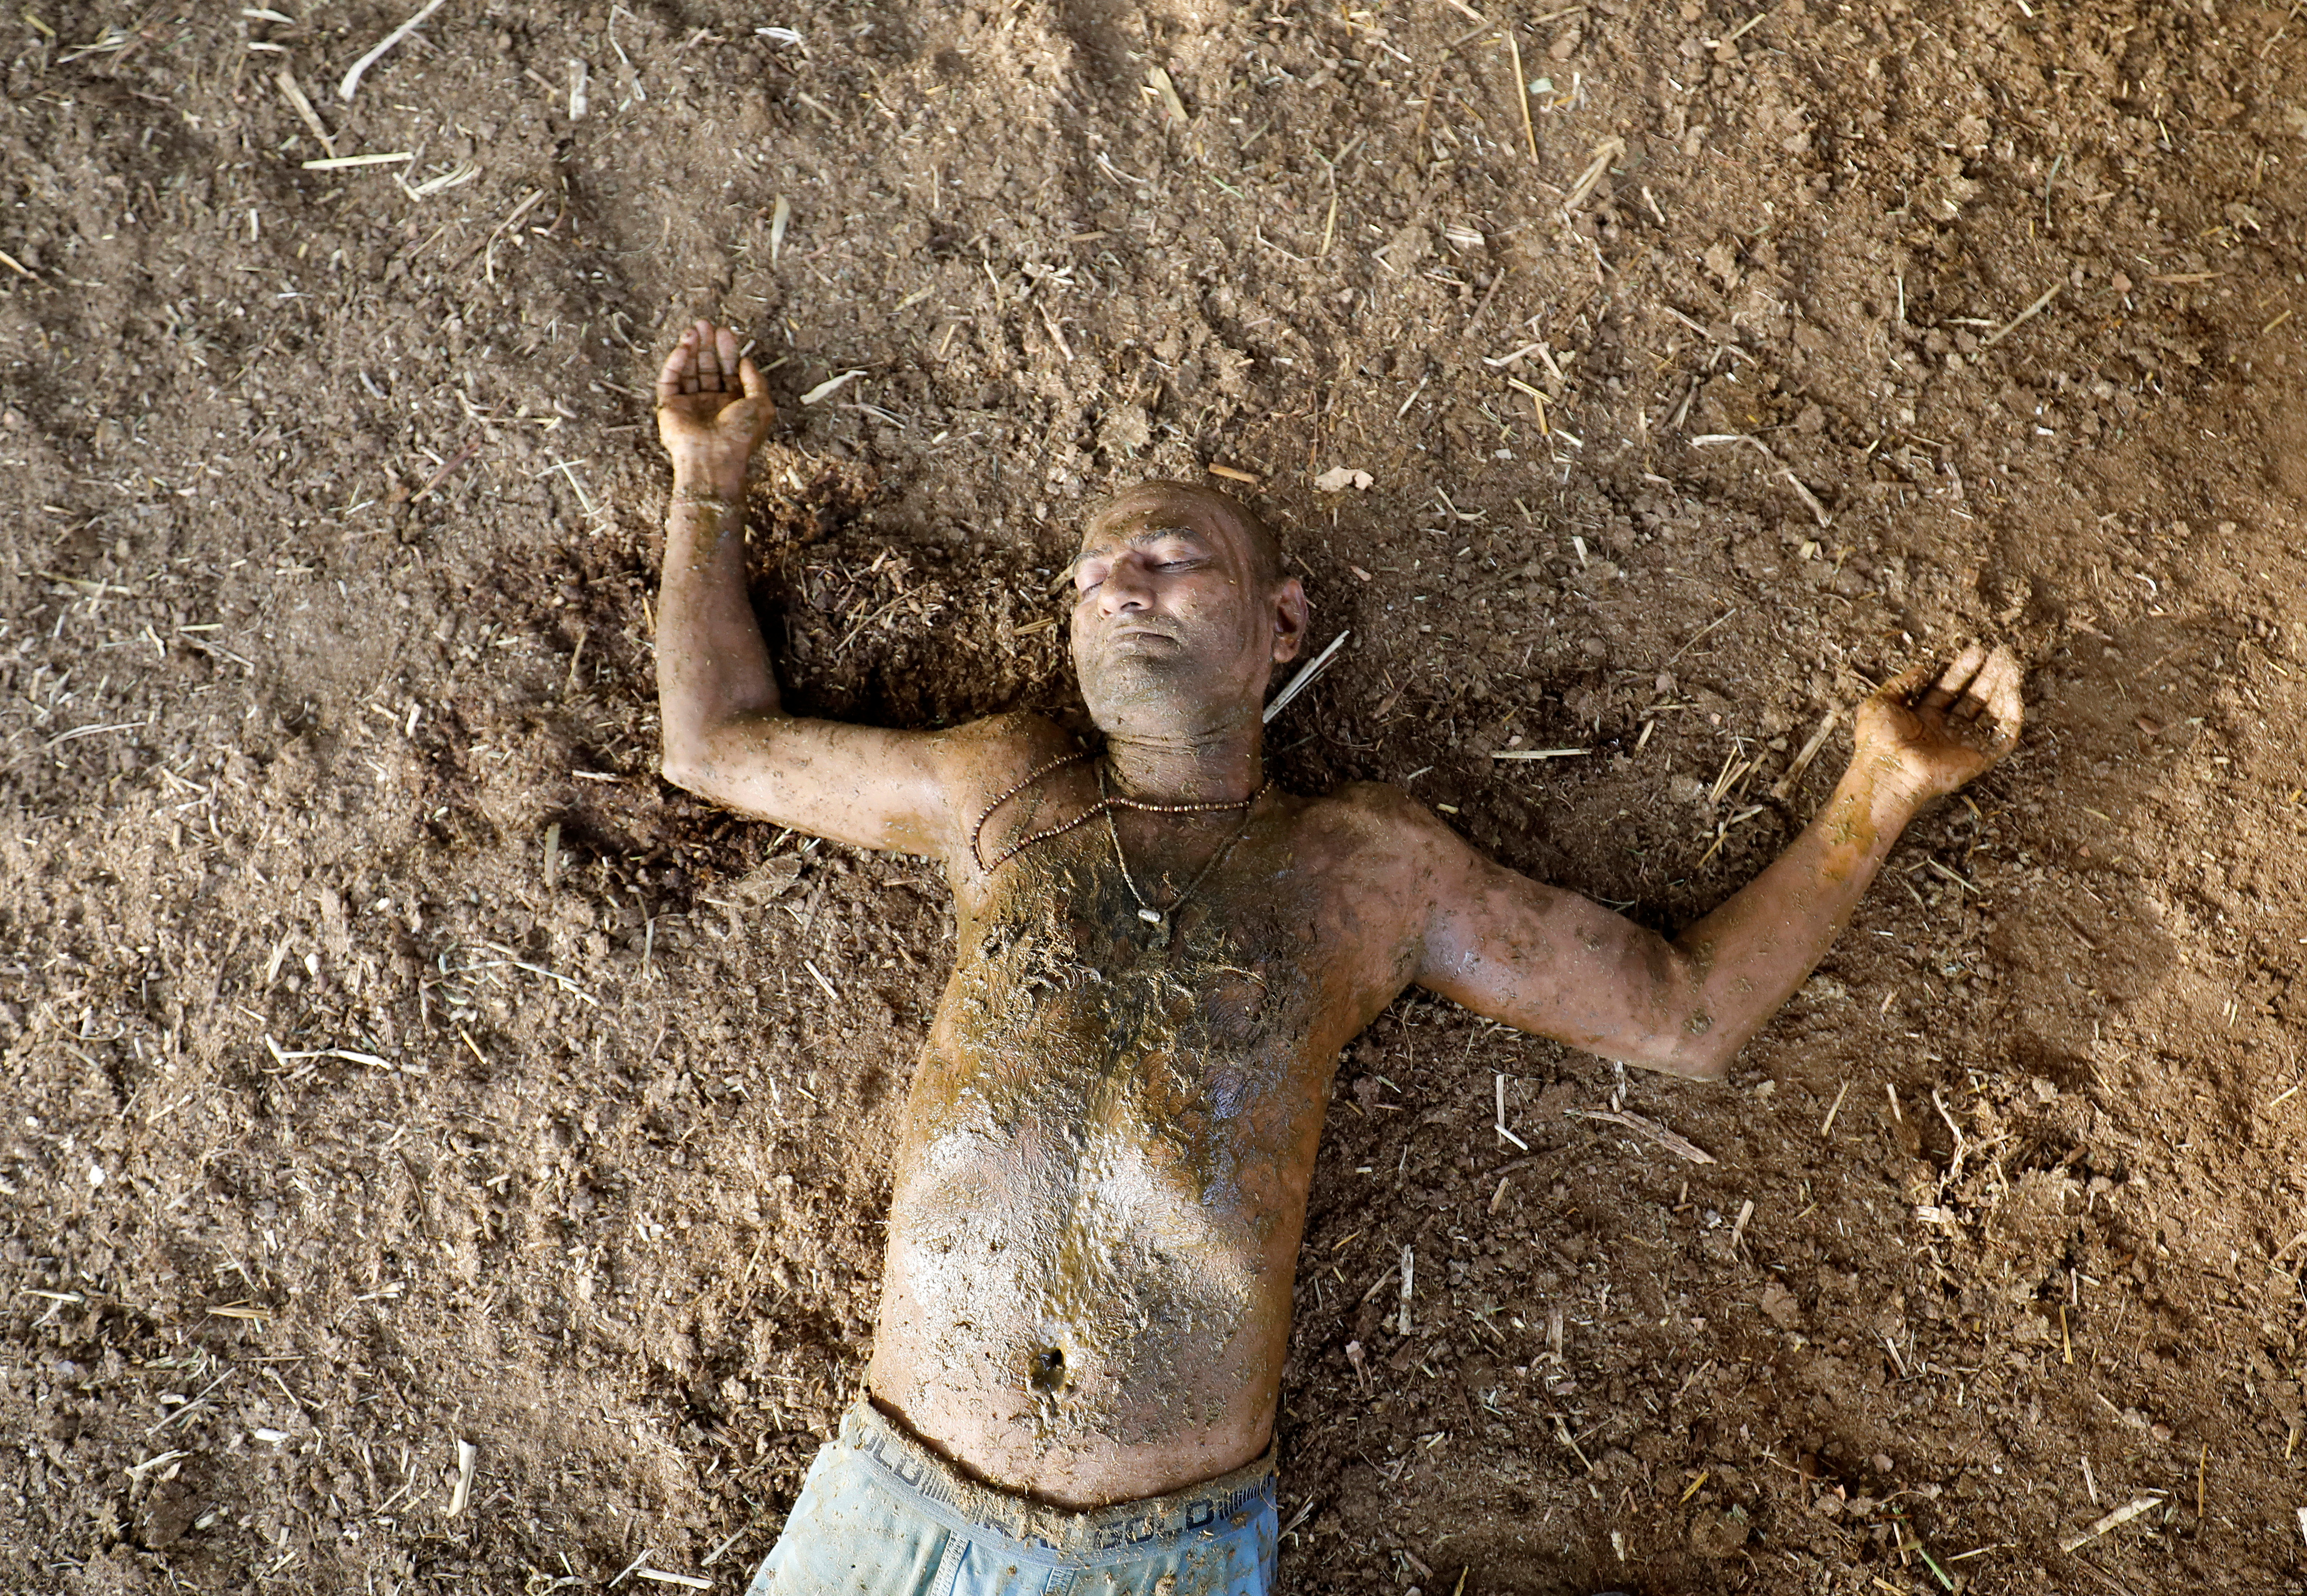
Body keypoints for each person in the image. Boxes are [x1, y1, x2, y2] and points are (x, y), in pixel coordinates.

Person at [649, 319, 2025, 1594]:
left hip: (1156, 1553)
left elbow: (1688, 1013)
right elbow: (713, 746)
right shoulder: (998, 792)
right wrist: (709, 482)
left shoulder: (1365, 870)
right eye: (1087, 578)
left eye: (1169, 560)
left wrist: (1881, 789)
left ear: (1281, 627)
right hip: (885, 1511)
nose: (1115, 589)